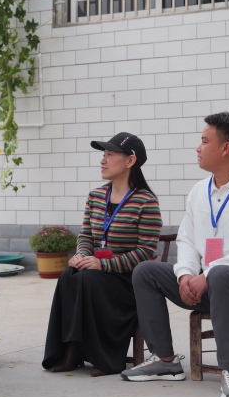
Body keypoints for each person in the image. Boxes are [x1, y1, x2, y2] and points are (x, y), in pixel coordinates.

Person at [121, 112, 229, 397]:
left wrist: (207, 274)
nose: (198, 148)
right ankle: (165, 360)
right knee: (146, 271)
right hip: (210, 285)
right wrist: (185, 274)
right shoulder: (199, 191)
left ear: (225, 148)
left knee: (221, 274)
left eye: (204, 141)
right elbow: (186, 239)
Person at [42, 133, 162, 377]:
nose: (103, 160)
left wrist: (104, 265)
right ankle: (71, 349)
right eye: (103, 155)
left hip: (127, 281)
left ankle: (104, 358)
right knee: (69, 274)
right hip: (97, 273)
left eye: (110, 155)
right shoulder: (96, 196)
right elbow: (86, 235)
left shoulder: (145, 201)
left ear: (130, 161)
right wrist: (81, 255)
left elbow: (146, 252)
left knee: (88, 278)